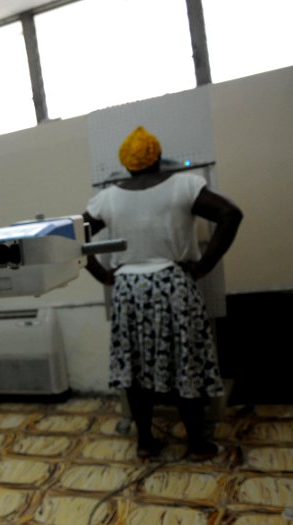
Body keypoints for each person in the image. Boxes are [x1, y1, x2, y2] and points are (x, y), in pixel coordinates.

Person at [83, 125, 242, 462]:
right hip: (174, 286)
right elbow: (230, 214)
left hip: (128, 291)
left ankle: (146, 442)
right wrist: (204, 266)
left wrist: (102, 275)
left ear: (126, 164)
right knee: (186, 361)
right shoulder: (184, 184)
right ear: (157, 158)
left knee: (137, 368)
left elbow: (73, 237)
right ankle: (197, 443)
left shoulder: (108, 198)